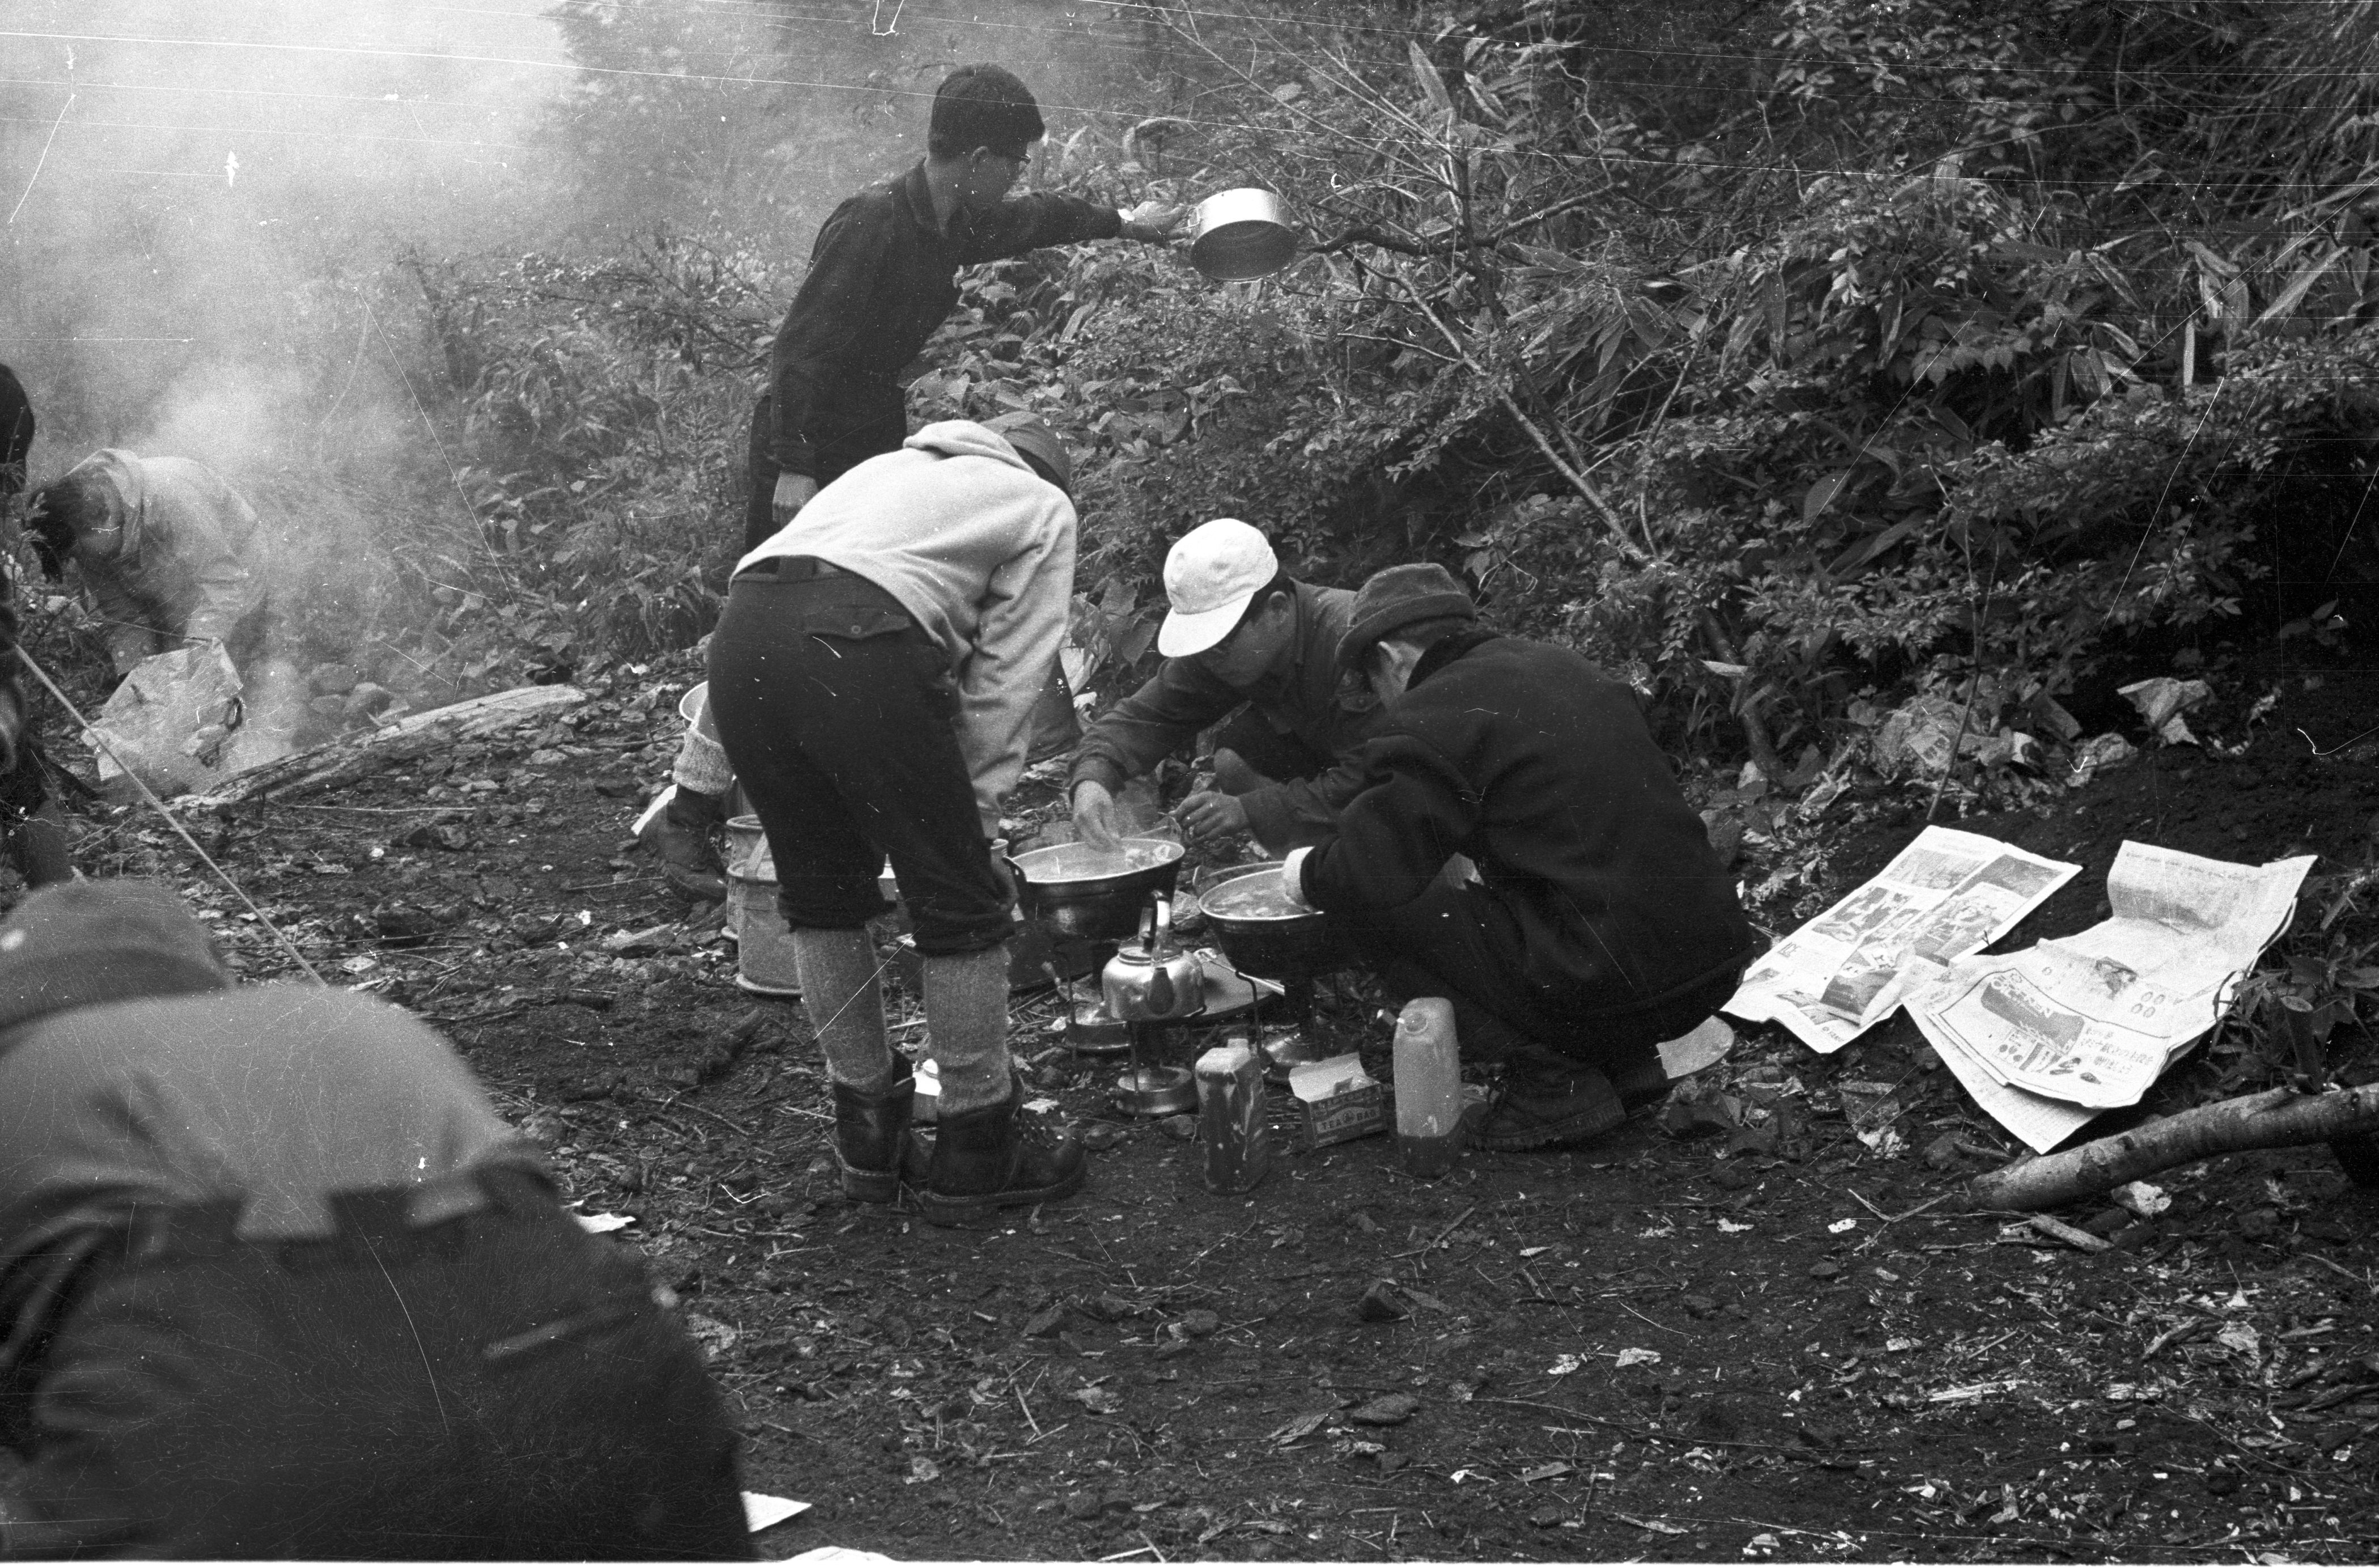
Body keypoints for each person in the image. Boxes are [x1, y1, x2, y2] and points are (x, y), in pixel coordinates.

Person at [0, 879, 752, 1558]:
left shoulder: (24, 1071)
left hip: (231, 1433)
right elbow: (536, 1203)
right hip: (610, 1382)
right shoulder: (359, 1021)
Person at [642, 62, 1183, 903]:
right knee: (774, 609)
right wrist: (796, 465)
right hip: (807, 433)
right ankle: (689, 808)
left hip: (868, 424)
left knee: (851, 617)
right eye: (1013, 161)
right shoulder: (871, 222)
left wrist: (1122, 225)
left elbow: (1038, 219)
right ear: (975, 158)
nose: (1018, 178)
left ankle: (830, 796)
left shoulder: (954, 219)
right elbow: (799, 350)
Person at [707, 414, 1084, 1224]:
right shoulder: (1038, 506)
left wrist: (697, 780)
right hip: (857, 638)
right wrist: (972, 830)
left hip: (740, 640)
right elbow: (1006, 679)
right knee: (957, 900)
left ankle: (868, 1138)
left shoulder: (883, 471)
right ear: (1048, 476)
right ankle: (978, 1143)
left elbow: (786, 586)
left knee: (821, 893)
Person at [1277, 563, 1760, 1151]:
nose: (1381, 701)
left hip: (1612, 982)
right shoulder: (1563, 666)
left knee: (1373, 909)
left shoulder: (1430, 714)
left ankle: (1554, 1082)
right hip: (1713, 963)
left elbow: (1367, 871)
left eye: (1372, 682)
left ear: (1390, 657)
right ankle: (1624, 1064)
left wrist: (1302, 872)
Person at [1068, 519, 1383, 857]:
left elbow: (1385, 773)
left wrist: (1252, 809)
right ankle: (1305, 872)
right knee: (1237, 757)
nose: (1208, 659)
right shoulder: (1227, 653)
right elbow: (1146, 716)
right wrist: (1093, 778)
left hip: (1399, 784)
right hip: (1339, 762)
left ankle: (1357, 870)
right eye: (1202, 646)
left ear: (1277, 609)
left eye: (1219, 644)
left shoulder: (1353, 640)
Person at [23, 449, 269, 680]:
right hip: (176, 593)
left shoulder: (169, 497)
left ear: (95, 521)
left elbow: (223, 582)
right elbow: (124, 616)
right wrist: (135, 677)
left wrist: (199, 650)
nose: (82, 561)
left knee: (235, 671)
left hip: (239, 579)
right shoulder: (86, 532)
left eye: (77, 552)